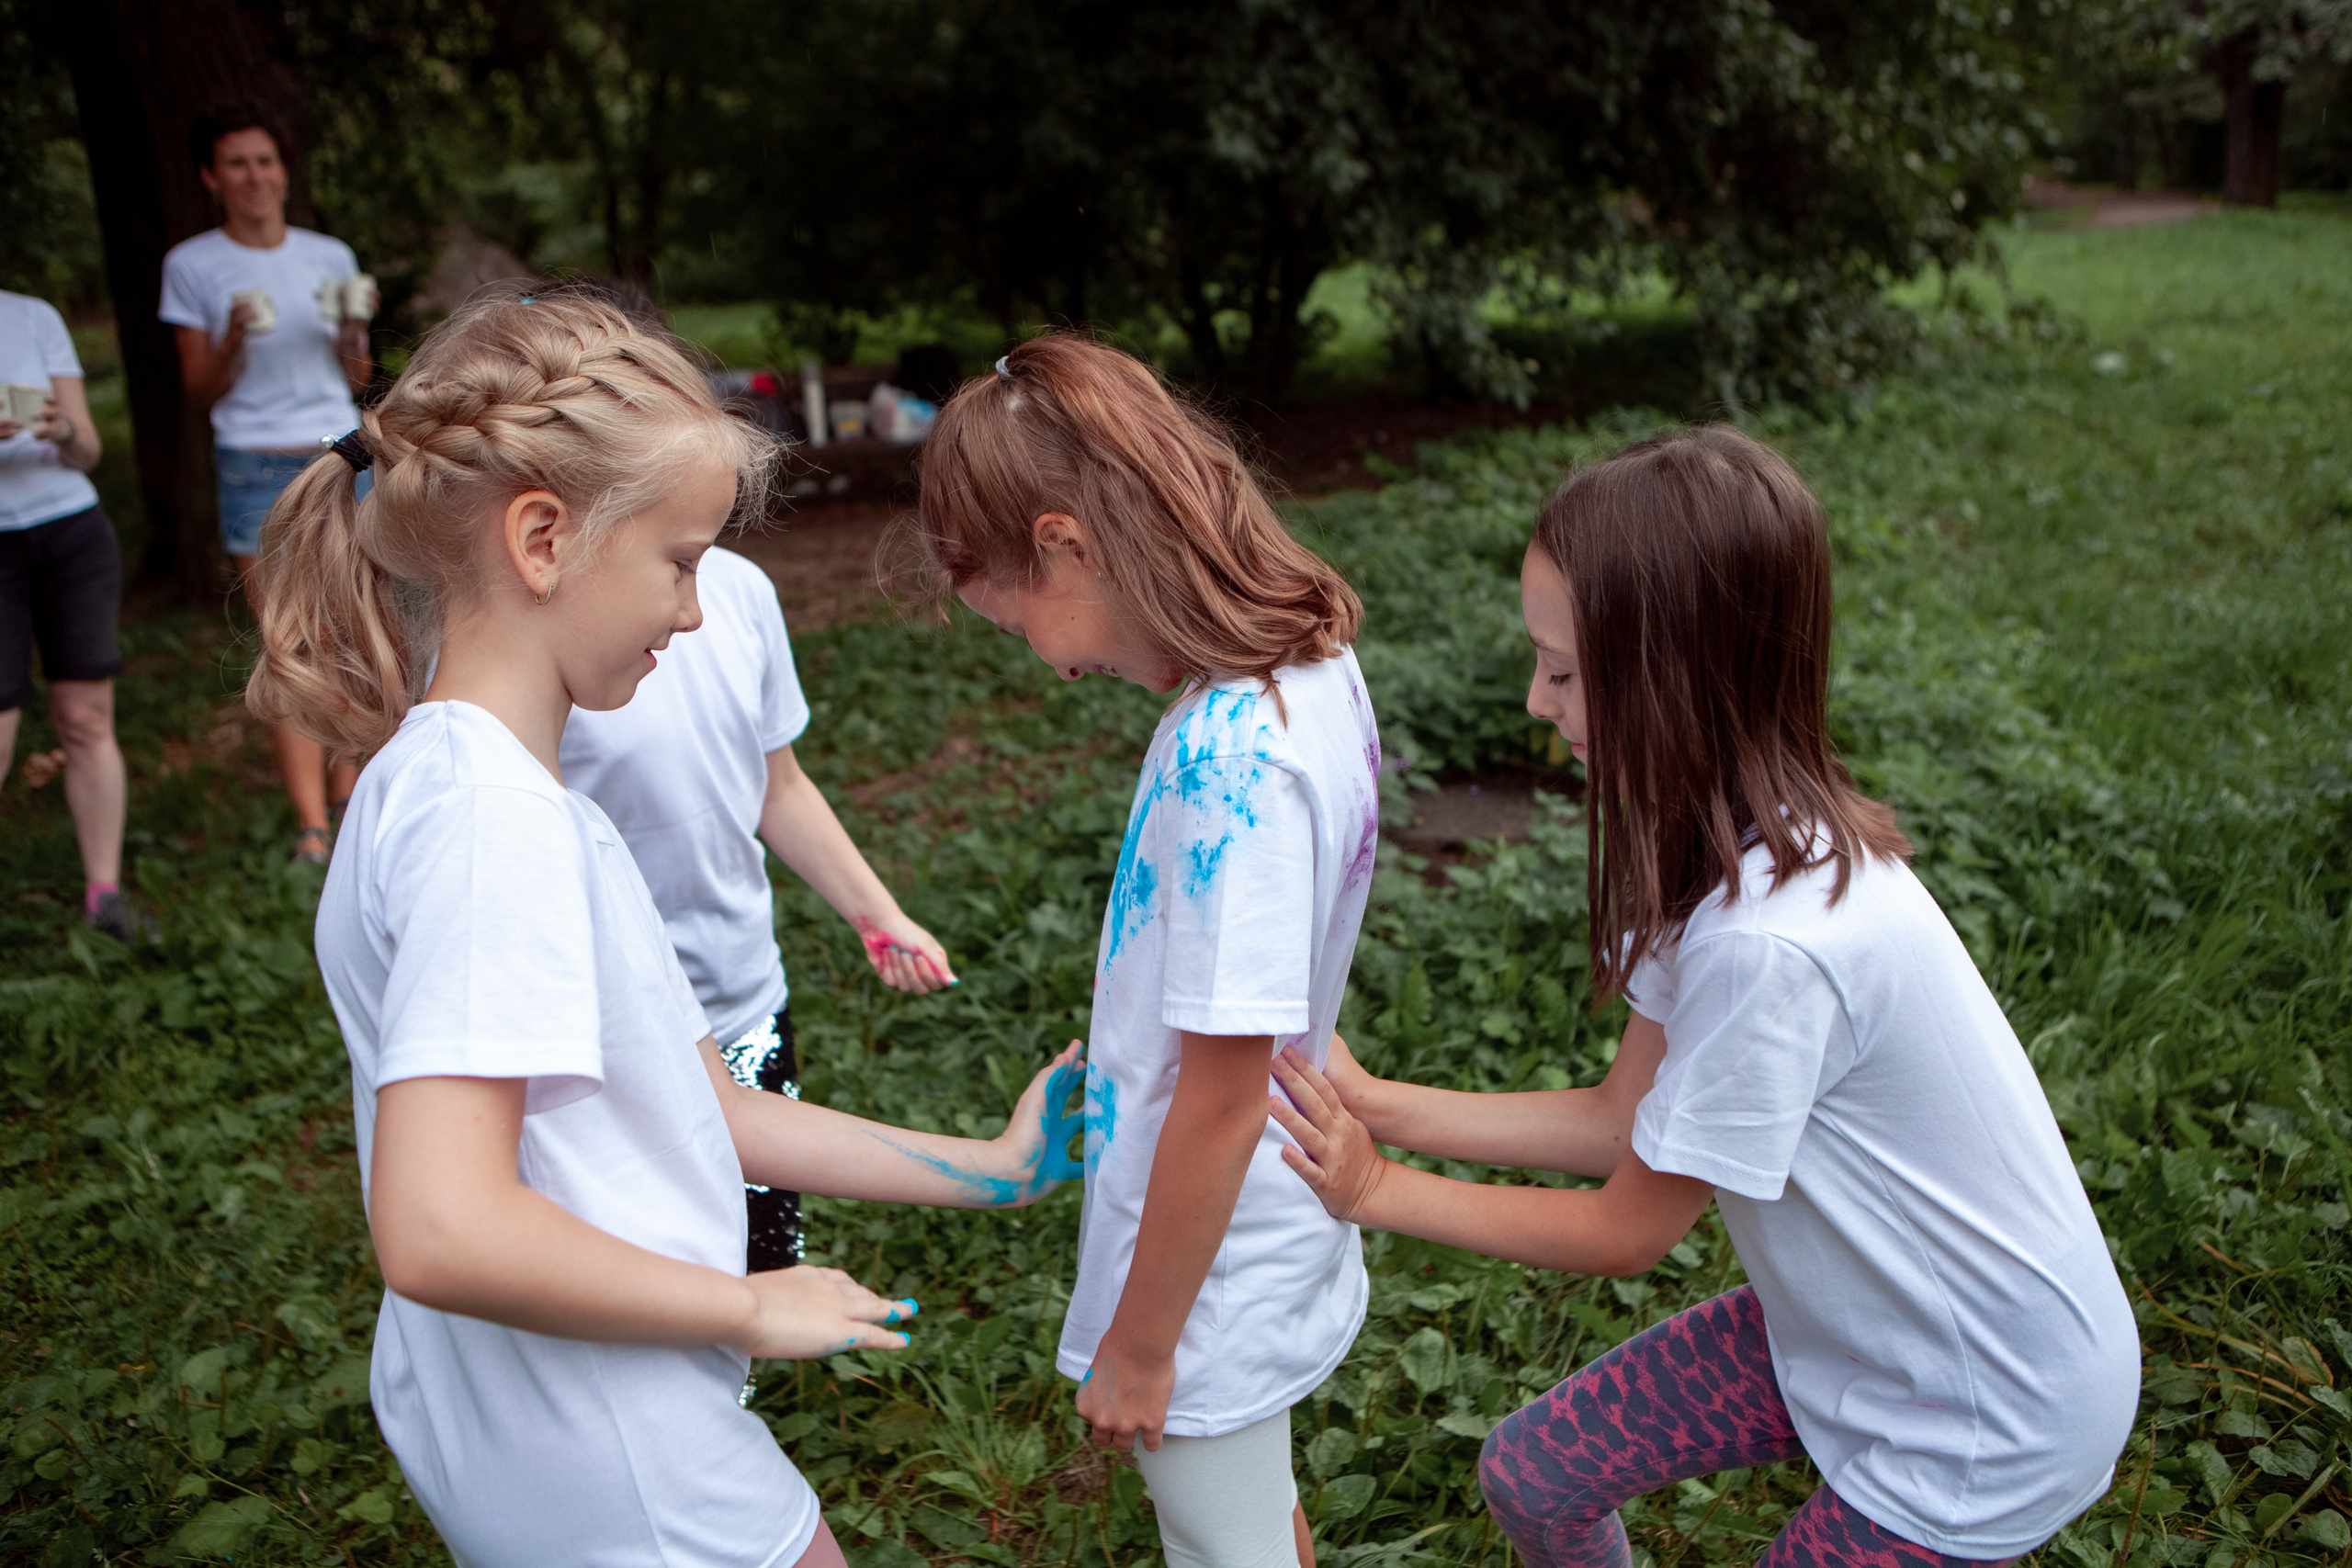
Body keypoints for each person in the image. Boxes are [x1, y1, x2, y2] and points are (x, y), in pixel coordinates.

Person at [244, 288, 1078, 1568]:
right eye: (680, 562)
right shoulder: (493, 825)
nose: (696, 612)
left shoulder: (460, 780)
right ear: (543, 540)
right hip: (606, 1442)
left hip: (527, 1414)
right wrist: (745, 1299)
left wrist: (995, 1164)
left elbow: (717, 1110)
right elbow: (440, 1224)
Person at [1267, 426, 2140, 1568]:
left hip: (1984, 1417)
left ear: (1681, 673)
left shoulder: (1774, 946)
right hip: (1855, 1339)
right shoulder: (1727, 859)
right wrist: (1381, 1103)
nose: (1537, 701)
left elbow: (1628, 1226)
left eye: (1566, 671)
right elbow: (1622, 1120)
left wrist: (1376, 1188)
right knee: (1533, 1477)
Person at [915, 334, 1383, 1568]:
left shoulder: (1231, 754)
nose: (1040, 654)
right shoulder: (1310, 671)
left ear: (1068, 541)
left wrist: (1141, 1342)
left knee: (1219, 1540)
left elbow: (1222, 1101)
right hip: (1250, 1228)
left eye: (1013, 611)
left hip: (1211, 1272)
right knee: (1253, 1515)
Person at [560, 537, 958, 1271]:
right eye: (677, 560)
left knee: (763, 1247)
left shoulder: (741, 590)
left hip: (740, 992)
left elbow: (779, 785)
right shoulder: (556, 625)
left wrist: (880, 916)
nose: (693, 605)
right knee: (649, 1255)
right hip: (605, 1024)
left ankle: (747, 1385)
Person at [163, 101, 375, 863]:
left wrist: (353, 338)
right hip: (252, 459)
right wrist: (231, 339)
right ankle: (311, 827)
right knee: (289, 641)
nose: (254, 176)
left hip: (337, 451)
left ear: (284, 170)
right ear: (211, 177)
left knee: (354, 623)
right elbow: (200, 391)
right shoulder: (192, 263)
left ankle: (351, 787)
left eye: (265, 160)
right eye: (237, 164)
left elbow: (359, 374)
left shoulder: (329, 254)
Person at [0, 288, 145, 942]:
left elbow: (89, 451)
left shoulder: (32, 316)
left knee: (86, 720)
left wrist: (61, 430)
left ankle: (104, 897)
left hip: (71, 532)